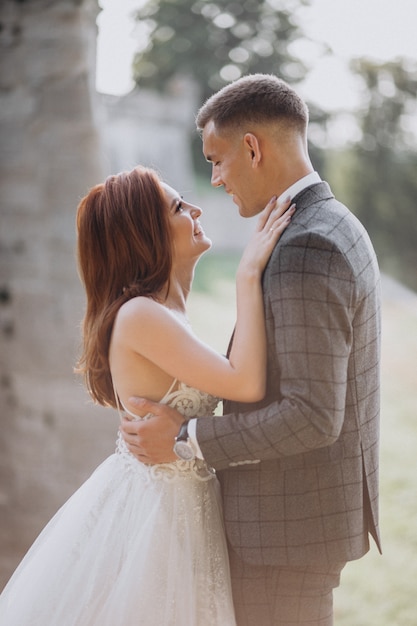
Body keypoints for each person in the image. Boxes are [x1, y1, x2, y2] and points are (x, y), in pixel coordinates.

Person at [120, 74, 382, 625]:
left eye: (216, 160)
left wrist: (185, 440)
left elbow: (312, 416)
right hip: (294, 521)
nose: (213, 180)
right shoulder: (328, 222)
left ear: (253, 147)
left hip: (283, 532)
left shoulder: (306, 244)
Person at [0, 165, 293, 625]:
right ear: (147, 234)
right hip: (158, 517)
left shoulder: (162, 309)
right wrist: (247, 274)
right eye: (178, 207)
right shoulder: (140, 314)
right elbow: (246, 383)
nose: (196, 209)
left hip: (181, 509)